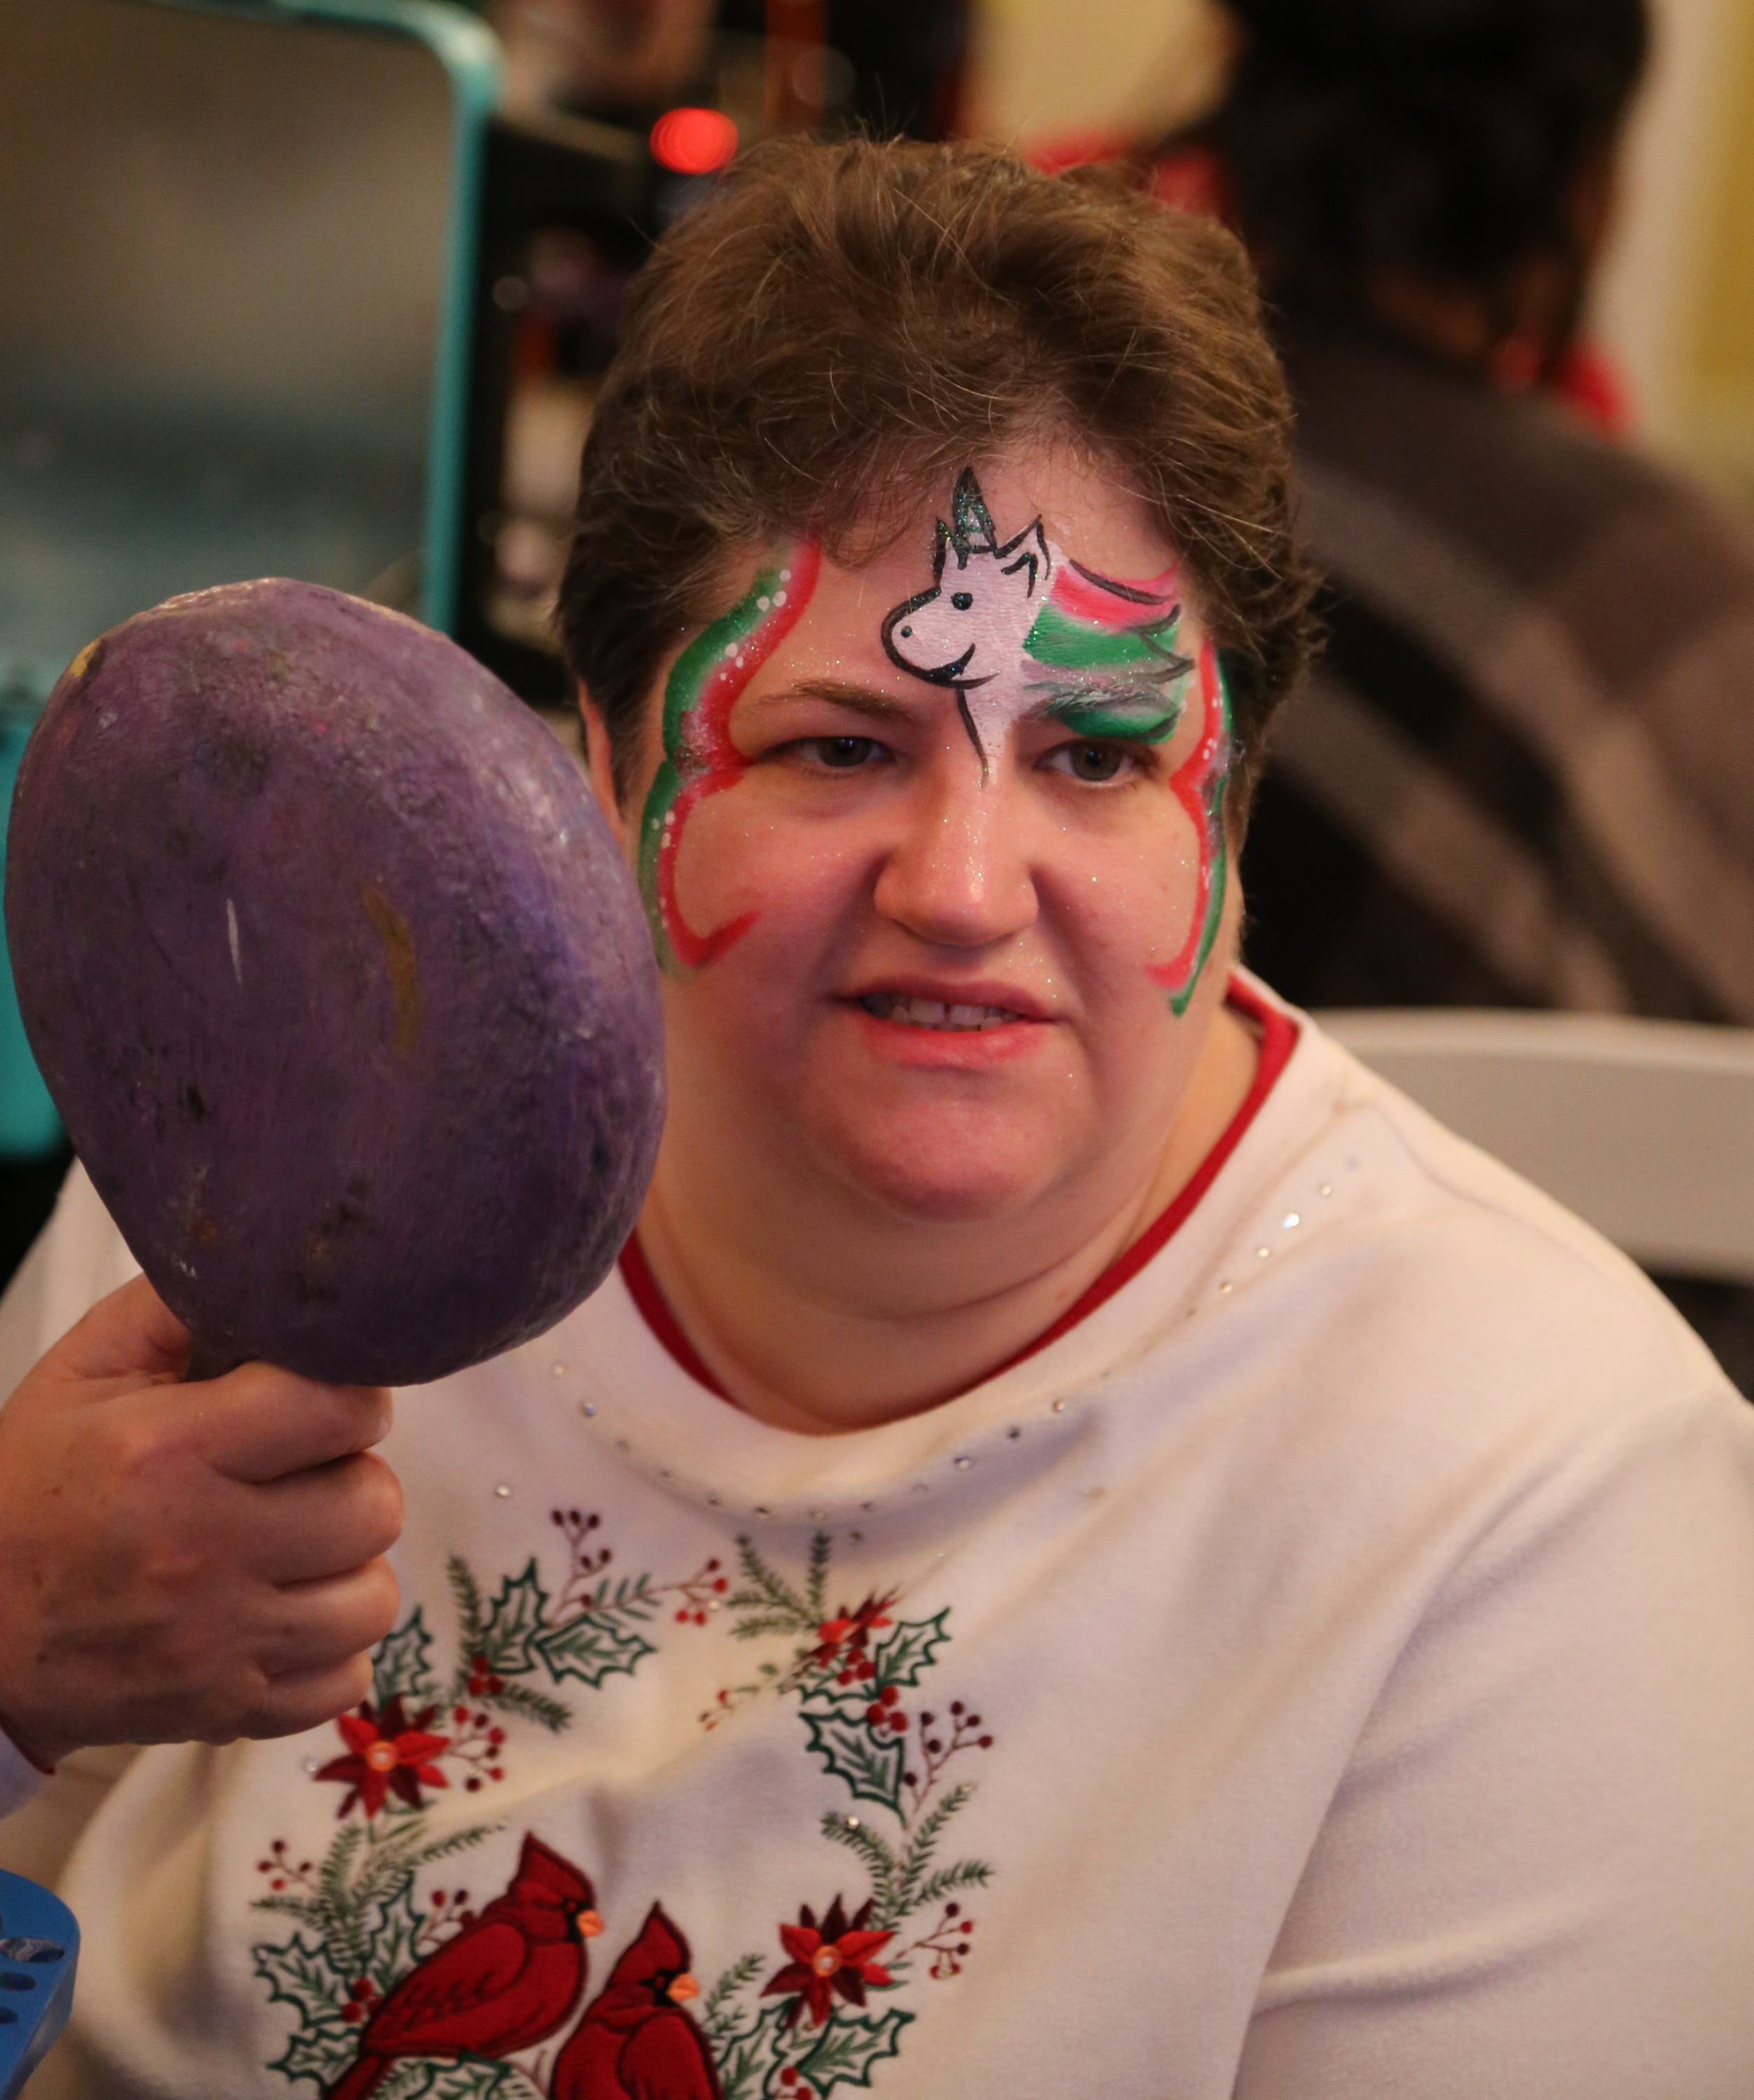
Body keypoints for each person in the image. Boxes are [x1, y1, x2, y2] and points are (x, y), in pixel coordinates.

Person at [3, 136, 1753, 2100]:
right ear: (600, 758)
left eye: (1099, 755)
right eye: (840, 744)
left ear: (1238, 799)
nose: (967, 889)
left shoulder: (1540, 1506)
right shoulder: (298, 1142)